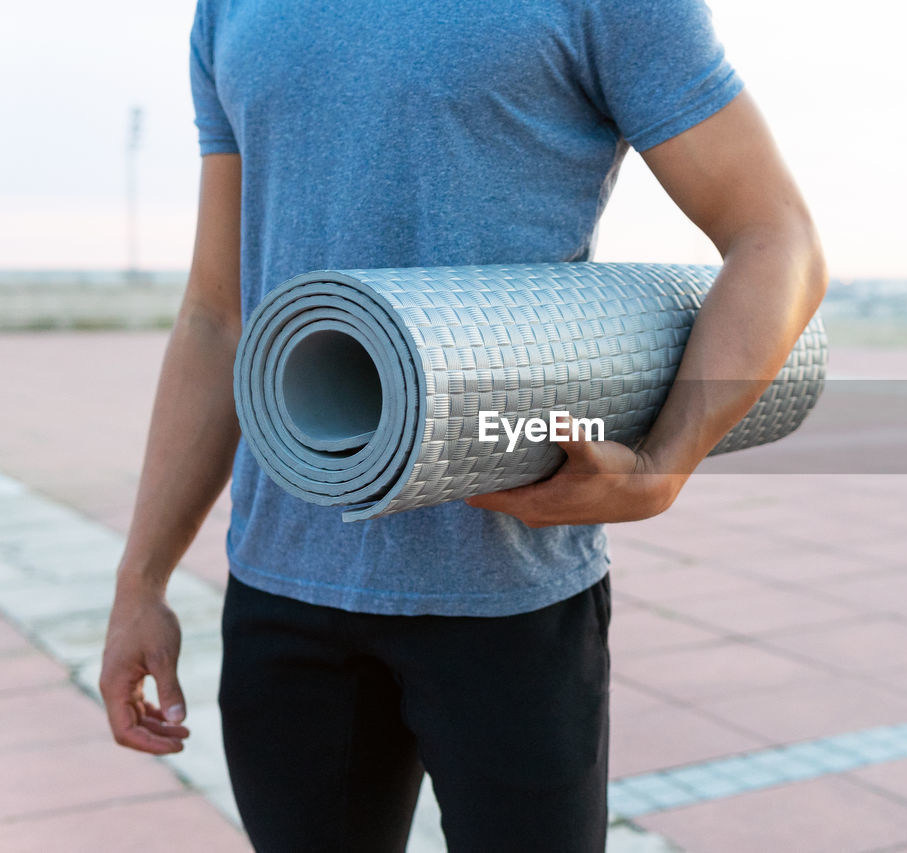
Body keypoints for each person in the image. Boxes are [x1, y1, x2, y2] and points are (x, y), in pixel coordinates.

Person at [99, 0, 826, 850]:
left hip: (509, 594)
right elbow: (220, 316)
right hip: (281, 590)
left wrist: (665, 462)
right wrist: (139, 582)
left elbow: (780, 237)